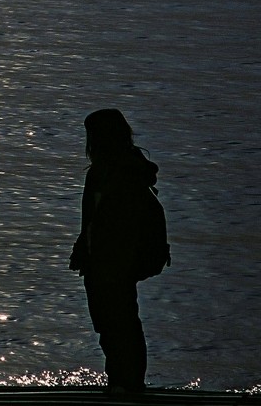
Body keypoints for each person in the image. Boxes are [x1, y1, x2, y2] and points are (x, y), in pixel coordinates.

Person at [69, 109, 162, 395]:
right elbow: (94, 218)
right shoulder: (115, 170)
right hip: (106, 259)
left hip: (114, 260)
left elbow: (112, 221)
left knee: (117, 322)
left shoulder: (119, 172)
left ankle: (126, 383)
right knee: (115, 322)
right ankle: (124, 381)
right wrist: (84, 248)